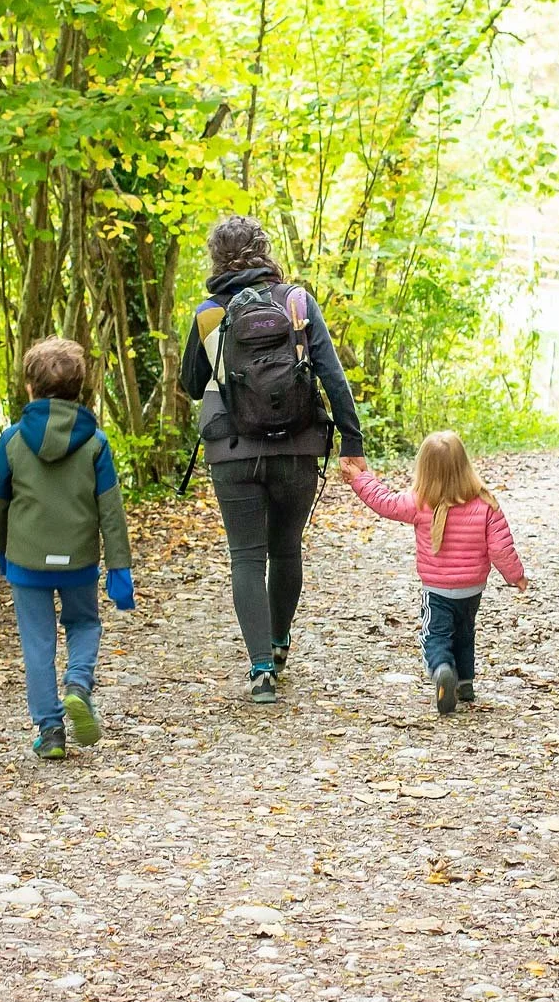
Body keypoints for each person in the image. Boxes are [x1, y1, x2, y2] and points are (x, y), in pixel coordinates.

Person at [179, 216, 366, 704]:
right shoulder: (297, 302)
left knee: (245, 554)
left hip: (232, 452)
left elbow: (193, 385)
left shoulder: (208, 313)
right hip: (298, 448)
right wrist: (352, 444)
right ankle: (280, 645)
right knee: (285, 548)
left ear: (216, 257)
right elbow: (332, 375)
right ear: (265, 251)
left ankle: (260, 669)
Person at [0, 337, 136, 759]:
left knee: (37, 642)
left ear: (29, 389)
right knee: (84, 624)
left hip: (27, 560)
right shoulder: (95, 443)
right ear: (81, 389)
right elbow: (111, 510)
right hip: (79, 559)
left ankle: (50, 730)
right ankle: (78, 684)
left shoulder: (12, 441)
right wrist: (119, 568)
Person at [341, 430, 527, 714]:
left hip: (438, 590)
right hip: (472, 588)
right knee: (465, 633)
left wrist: (359, 478)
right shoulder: (485, 503)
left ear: (424, 468)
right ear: (465, 465)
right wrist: (515, 576)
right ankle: (464, 682)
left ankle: (442, 670)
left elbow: (384, 502)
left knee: (436, 636)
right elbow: (501, 548)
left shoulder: (420, 501)